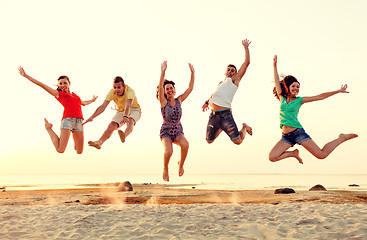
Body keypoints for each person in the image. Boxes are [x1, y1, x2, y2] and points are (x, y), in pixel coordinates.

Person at [269, 55, 358, 164]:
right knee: (272, 157)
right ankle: (293, 154)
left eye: (298, 87)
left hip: (298, 133)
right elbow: (276, 81)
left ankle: (341, 138)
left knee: (321, 155)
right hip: (286, 137)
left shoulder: (299, 100)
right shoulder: (282, 98)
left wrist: (338, 91)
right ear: (287, 86)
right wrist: (274, 65)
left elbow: (320, 96)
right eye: (294, 86)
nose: (296, 89)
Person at [18, 66, 97, 154]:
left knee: (79, 151)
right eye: (60, 84)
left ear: (69, 83)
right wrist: (25, 75)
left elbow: (84, 103)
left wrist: (92, 100)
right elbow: (42, 85)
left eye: (65, 83)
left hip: (79, 122)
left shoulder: (75, 95)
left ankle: (74, 138)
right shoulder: (59, 94)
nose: (62, 85)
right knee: (60, 149)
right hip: (68, 121)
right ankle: (48, 128)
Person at [202, 38, 253, 145]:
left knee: (237, 141)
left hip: (225, 115)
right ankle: (220, 128)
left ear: (235, 74)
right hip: (213, 115)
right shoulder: (221, 83)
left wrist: (246, 48)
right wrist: (207, 102)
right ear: (225, 72)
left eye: (232, 71)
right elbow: (214, 94)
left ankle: (244, 127)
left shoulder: (235, 80)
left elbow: (247, 63)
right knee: (209, 141)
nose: (230, 72)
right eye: (228, 70)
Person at [157, 61, 195, 181]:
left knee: (186, 144)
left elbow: (190, 88)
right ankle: (165, 168)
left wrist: (192, 73)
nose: (169, 90)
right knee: (169, 151)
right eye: (167, 89)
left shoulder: (179, 100)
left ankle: (181, 165)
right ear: (164, 91)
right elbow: (161, 86)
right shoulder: (163, 102)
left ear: (174, 89)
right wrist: (163, 71)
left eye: (171, 88)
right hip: (166, 132)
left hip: (178, 130)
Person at [83, 76, 141, 149]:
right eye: (115, 87)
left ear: (124, 87)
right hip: (121, 111)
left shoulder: (130, 91)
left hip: (134, 109)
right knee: (112, 125)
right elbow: (102, 106)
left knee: (130, 120)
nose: (116, 90)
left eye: (119, 87)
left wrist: (125, 116)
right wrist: (92, 117)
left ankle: (124, 135)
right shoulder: (112, 92)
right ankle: (99, 142)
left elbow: (128, 105)